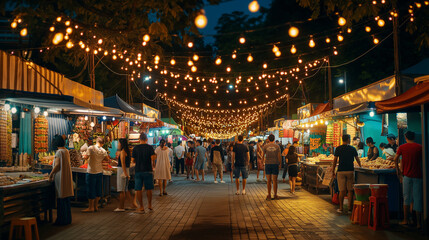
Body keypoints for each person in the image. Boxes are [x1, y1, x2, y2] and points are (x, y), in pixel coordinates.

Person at [394, 131, 423, 228]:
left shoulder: (402, 147)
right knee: (417, 198)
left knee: (406, 198)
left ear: (405, 137)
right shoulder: (420, 147)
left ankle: (406, 220)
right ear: (414, 137)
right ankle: (419, 223)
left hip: (406, 176)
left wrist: (398, 171)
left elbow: (395, 159)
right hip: (418, 176)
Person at [332, 134, 361, 214]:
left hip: (341, 171)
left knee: (341, 190)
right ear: (348, 139)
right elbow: (357, 159)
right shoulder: (352, 149)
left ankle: (341, 208)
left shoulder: (338, 148)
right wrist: (360, 166)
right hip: (350, 171)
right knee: (350, 190)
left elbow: (335, 160)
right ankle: (349, 209)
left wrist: (333, 170)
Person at [49, 135, 73, 225]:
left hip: (60, 177)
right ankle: (67, 219)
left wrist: (51, 175)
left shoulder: (59, 152)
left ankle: (61, 220)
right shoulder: (66, 151)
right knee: (66, 199)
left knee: (61, 198)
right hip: (66, 177)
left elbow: (57, 165)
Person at [82, 137, 110, 213]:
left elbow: (86, 157)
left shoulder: (91, 148)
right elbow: (107, 159)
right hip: (99, 172)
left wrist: (83, 155)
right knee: (98, 189)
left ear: (96, 141)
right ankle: (96, 206)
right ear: (102, 143)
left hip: (91, 172)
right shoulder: (104, 151)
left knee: (91, 189)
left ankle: (91, 207)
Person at [132, 133, 156, 213]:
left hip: (138, 170)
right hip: (148, 170)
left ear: (139, 139)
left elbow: (133, 160)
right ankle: (149, 205)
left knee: (138, 189)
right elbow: (153, 158)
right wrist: (153, 164)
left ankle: (141, 206)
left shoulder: (135, 148)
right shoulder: (150, 147)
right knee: (149, 188)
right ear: (146, 139)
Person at [114, 138, 136, 212]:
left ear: (121, 144)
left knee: (121, 190)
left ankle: (121, 207)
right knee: (125, 190)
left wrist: (125, 174)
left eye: (119, 143)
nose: (118, 144)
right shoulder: (126, 151)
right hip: (125, 170)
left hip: (122, 171)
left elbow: (123, 163)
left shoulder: (123, 152)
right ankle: (132, 205)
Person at [263, 134, 282, 200]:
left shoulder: (265, 146)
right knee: (275, 180)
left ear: (268, 139)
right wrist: (280, 163)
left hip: (267, 164)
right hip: (275, 164)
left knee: (268, 180)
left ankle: (269, 195)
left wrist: (263, 163)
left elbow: (263, 156)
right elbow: (279, 156)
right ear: (274, 139)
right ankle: (275, 194)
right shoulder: (277, 146)